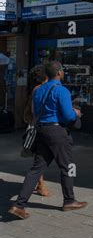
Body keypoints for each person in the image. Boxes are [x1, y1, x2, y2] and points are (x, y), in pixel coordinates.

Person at [9, 60, 87, 219]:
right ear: (59, 73)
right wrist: (76, 114)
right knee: (67, 166)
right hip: (57, 132)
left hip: (41, 131)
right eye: (62, 71)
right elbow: (67, 116)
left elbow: (36, 112)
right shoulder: (61, 90)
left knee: (36, 169)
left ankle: (19, 205)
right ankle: (69, 200)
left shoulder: (38, 91)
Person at [23, 64, 50, 197]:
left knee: (40, 156)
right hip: (42, 126)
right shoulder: (41, 89)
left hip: (36, 125)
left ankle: (40, 183)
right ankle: (40, 184)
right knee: (40, 157)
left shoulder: (35, 89)